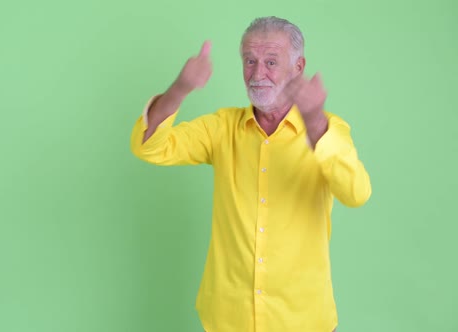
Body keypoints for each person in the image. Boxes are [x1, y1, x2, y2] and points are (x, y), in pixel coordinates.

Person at [130, 16, 371, 332]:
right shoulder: (222, 128)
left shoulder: (328, 130)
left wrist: (314, 122)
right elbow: (149, 146)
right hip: (228, 320)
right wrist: (180, 88)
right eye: (249, 61)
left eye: (271, 61)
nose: (258, 74)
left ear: (299, 67)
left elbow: (357, 193)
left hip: (303, 321)